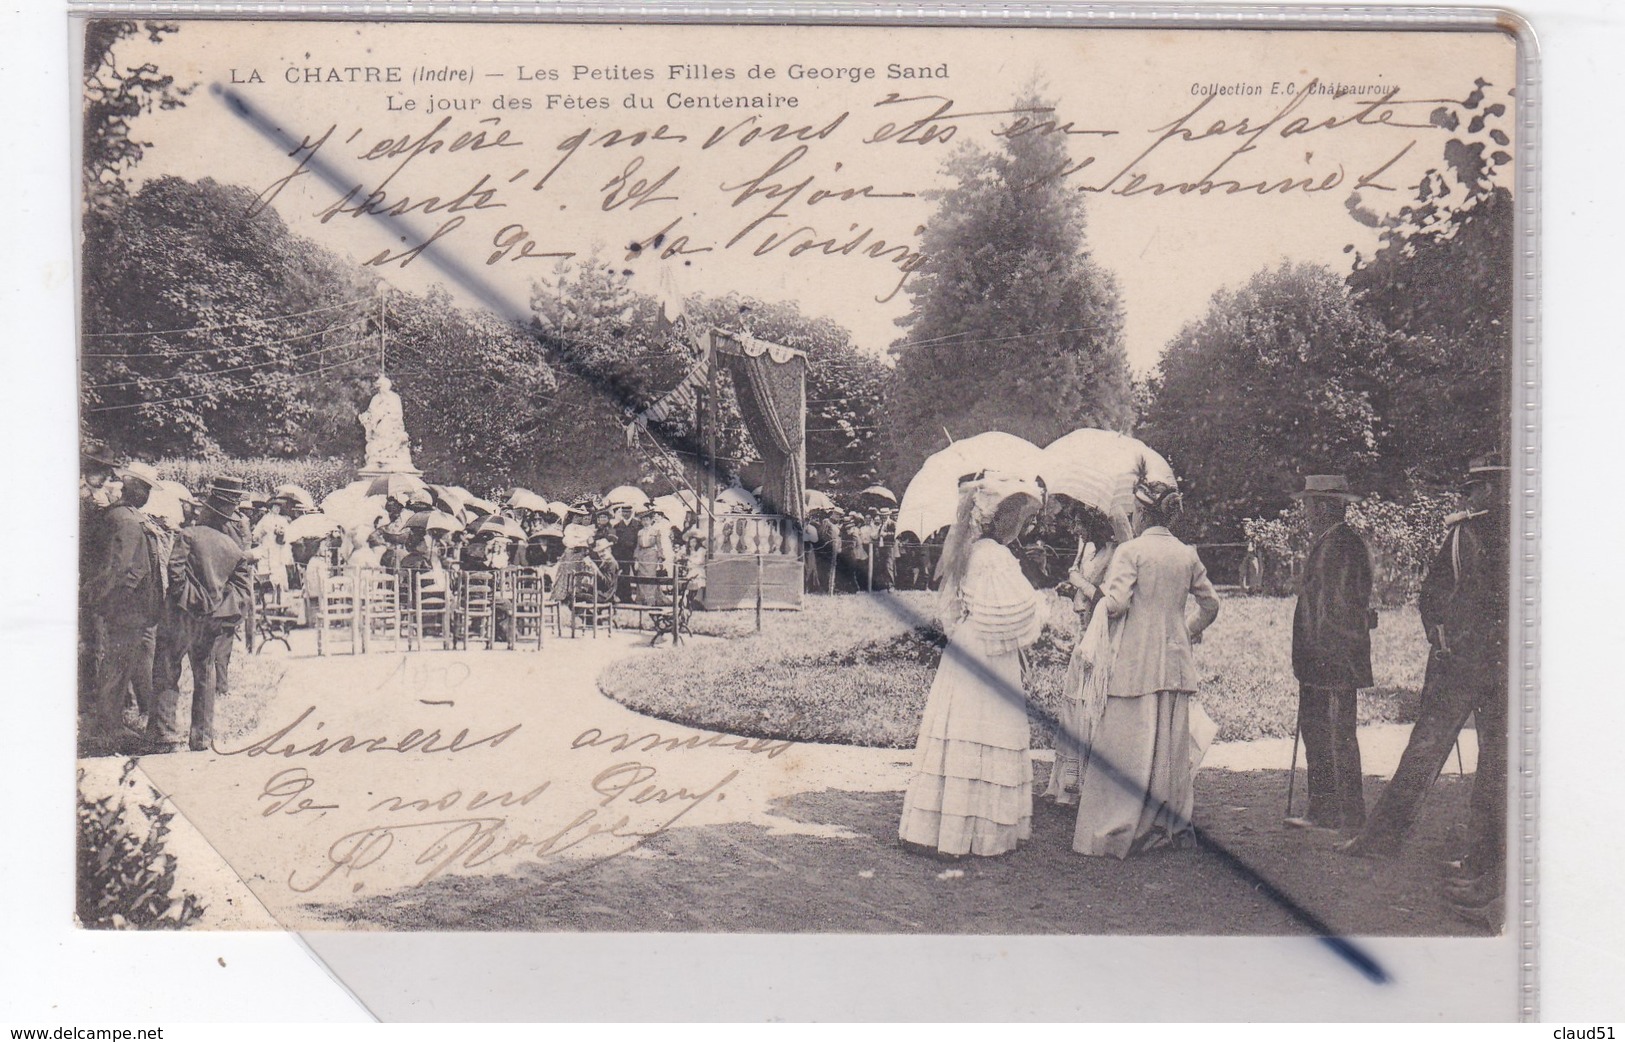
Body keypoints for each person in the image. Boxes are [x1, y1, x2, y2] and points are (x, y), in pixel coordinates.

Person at [1339, 456, 1510, 927]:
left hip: (1478, 664)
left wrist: (1442, 627)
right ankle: (1416, 846)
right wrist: (1436, 626)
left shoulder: (1482, 534)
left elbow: (1438, 593)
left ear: (1491, 492)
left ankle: (1475, 863)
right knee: (1464, 756)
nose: (1468, 498)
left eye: (1474, 490)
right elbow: (1433, 594)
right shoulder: (1475, 534)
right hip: (1475, 660)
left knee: (1471, 758)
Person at [898, 473, 1047, 859]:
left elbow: (948, 609)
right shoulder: (994, 556)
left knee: (960, 731)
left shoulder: (965, 551)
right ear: (998, 518)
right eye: (1016, 518)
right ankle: (980, 833)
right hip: (989, 651)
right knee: (986, 729)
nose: (1020, 526)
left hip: (966, 646)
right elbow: (1015, 609)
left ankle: (943, 828)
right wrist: (1041, 606)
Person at [1072, 472, 1220, 858]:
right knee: (1167, 746)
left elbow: (1117, 603)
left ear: (1140, 512)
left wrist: (1095, 598)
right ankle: (1164, 823)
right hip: (1174, 662)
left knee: (1128, 745)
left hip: (1135, 663)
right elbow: (1211, 605)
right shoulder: (1187, 554)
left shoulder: (1131, 552)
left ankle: (1121, 825)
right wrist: (1185, 631)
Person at [1286, 474, 1376, 832]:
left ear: (1324, 507)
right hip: (1323, 660)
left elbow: (1335, 609)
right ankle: (1324, 810)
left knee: (1336, 735)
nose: (1306, 511)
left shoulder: (1340, 545)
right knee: (1321, 733)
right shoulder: (1335, 542)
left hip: (1330, 661)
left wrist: (1318, 658)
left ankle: (1347, 815)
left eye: (1310, 503)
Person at [147, 477, 254, 754]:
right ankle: (202, 738)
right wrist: (215, 609)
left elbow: (175, 573)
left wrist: (189, 602)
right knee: (205, 674)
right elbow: (242, 592)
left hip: (181, 615)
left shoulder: (188, 536)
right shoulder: (234, 549)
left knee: (167, 670)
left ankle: (164, 734)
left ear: (208, 509)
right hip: (212, 620)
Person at [1042, 500, 1131, 804]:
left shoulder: (1117, 554)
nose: (1075, 529)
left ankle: (1086, 779)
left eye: (1080, 523)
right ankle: (1070, 778)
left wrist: (1079, 581)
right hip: (1085, 626)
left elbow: (1110, 600)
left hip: (1102, 631)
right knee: (1075, 696)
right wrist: (1075, 587)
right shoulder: (1092, 549)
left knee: (1089, 695)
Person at [80, 461, 167, 756]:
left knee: (123, 662)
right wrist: (115, 599)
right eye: (144, 488)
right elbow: (122, 568)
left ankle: (112, 721)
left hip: (133, 608)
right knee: (117, 665)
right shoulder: (125, 520)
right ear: (132, 488)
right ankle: (109, 725)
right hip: (128, 608)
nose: (146, 495)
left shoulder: (129, 516)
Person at [633, 506, 675, 604]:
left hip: (652, 555)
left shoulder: (655, 531)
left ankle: (651, 599)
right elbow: (637, 546)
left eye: (647, 520)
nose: (645, 522)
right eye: (643, 520)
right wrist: (636, 559)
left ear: (651, 520)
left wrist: (660, 559)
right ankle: (642, 598)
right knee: (641, 577)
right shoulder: (640, 532)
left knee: (650, 577)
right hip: (641, 555)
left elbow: (659, 546)